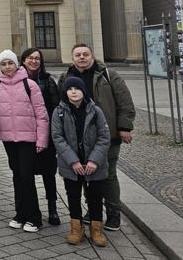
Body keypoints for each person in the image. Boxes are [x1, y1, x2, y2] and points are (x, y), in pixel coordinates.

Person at [58, 44, 135, 231]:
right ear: (73, 58)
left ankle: (113, 213)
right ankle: (93, 212)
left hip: (105, 135)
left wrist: (124, 127)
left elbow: (124, 101)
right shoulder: (66, 77)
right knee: (85, 174)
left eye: (85, 54)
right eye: (78, 55)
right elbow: (60, 105)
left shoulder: (109, 75)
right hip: (78, 137)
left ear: (92, 56)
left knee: (107, 175)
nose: (82, 58)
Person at [0, 50, 50, 233]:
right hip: (9, 139)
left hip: (28, 139)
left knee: (26, 176)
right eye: (4, 64)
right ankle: (20, 214)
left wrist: (42, 139)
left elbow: (42, 114)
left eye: (10, 63)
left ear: (17, 64)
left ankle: (34, 217)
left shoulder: (29, 84)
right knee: (17, 176)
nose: (7, 67)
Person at [52, 77, 110, 247]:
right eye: (70, 89)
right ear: (65, 92)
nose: (74, 92)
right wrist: (73, 161)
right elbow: (57, 137)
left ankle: (96, 228)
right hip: (72, 165)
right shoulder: (59, 112)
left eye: (77, 88)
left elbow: (104, 136)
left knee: (95, 197)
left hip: (94, 164)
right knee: (73, 195)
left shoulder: (95, 111)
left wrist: (94, 160)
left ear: (83, 91)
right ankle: (76, 228)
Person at [21, 47, 61, 225]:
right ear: (23, 60)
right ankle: (31, 209)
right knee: (26, 174)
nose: (34, 61)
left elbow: (55, 108)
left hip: (46, 134)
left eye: (37, 58)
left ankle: (52, 208)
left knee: (48, 173)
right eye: (30, 58)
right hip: (26, 134)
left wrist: (53, 133)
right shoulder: (17, 80)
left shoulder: (48, 81)